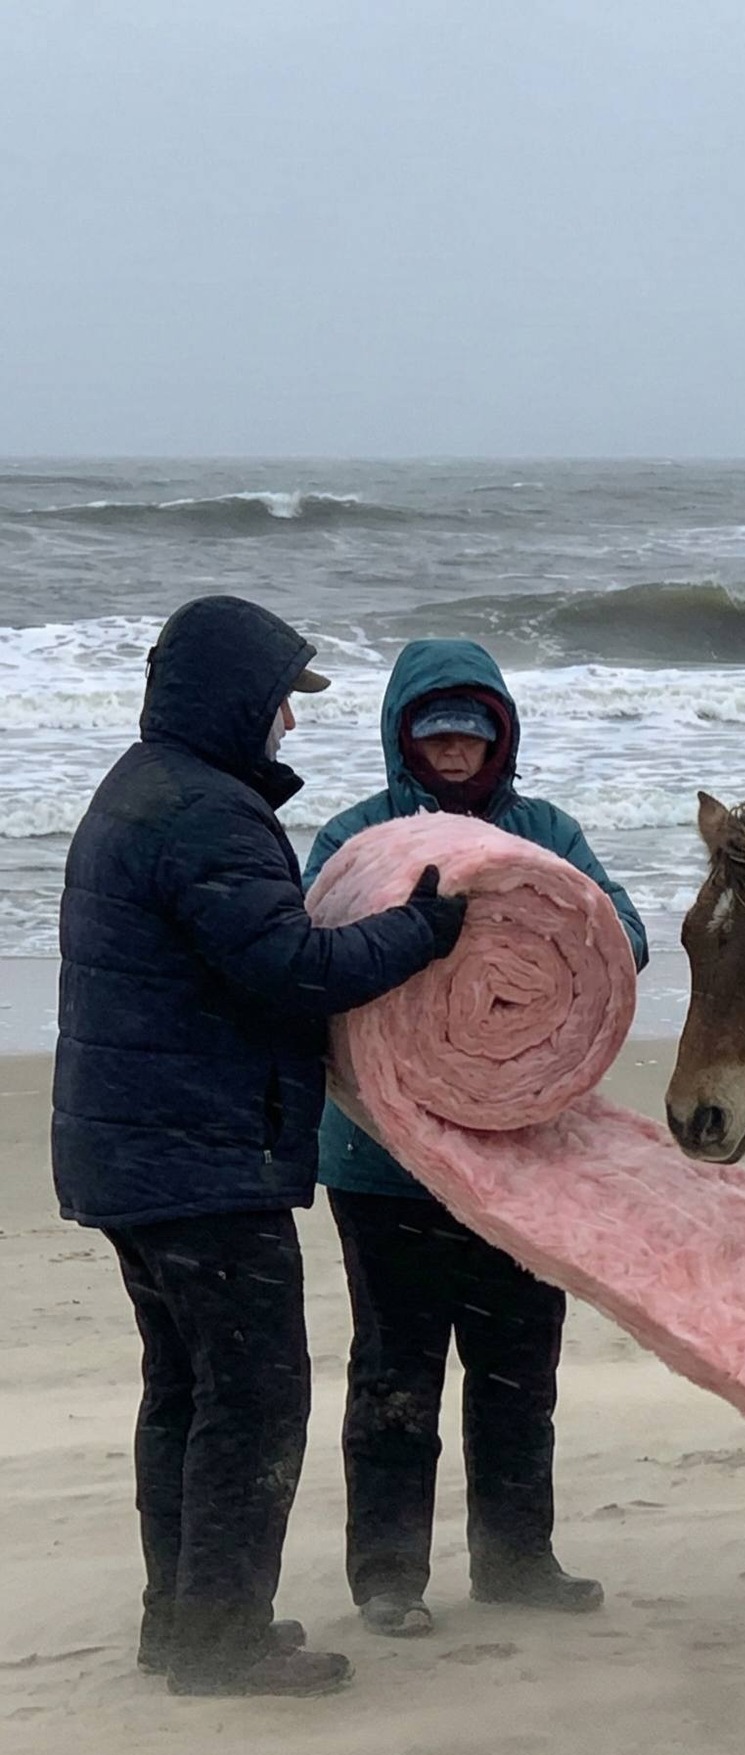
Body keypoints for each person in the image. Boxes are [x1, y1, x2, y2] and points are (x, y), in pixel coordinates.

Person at [53, 596, 467, 1698]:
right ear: (235, 695)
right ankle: (222, 1636)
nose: (288, 719)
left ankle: (182, 1620)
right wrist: (422, 934)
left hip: (135, 1154)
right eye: (280, 696)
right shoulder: (206, 814)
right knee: (253, 1393)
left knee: (184, 1390)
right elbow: (291, 969)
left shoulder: (145, 788)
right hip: (201, 1156)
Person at [305, 640, 649, 1640]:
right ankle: (386, 1576)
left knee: (515, 1362)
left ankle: (515, 1558)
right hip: (382, 1156)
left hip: (521, 1145)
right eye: (435, 728)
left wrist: (537, 925)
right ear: (401, 733)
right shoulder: (356, 833)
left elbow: (619, 935)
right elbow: (311, 955)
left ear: (500, 733)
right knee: (394, 1370)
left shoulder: (544, 832)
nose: (455, 747)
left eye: (473, 728)